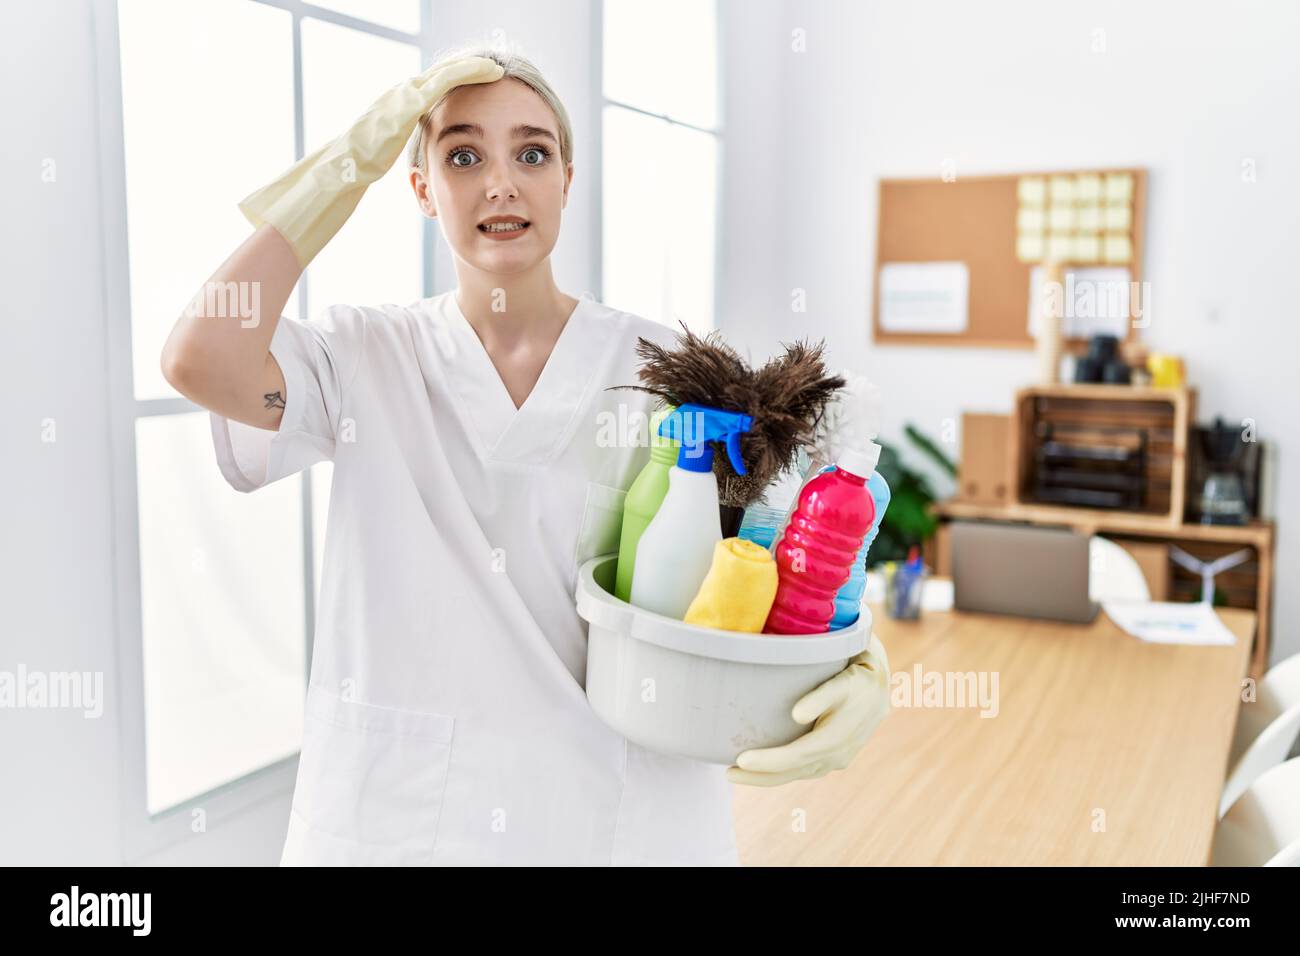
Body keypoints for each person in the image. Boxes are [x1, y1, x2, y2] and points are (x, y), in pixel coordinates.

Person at [160, 45, 890, 866]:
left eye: (532, 153)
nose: (500, 182)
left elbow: (779, 549)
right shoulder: (365, 356)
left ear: (568, 181)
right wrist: (341, 169)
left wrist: (861, 658)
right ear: (419, 190)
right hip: (407, 821)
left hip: (617, 814)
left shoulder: (666, 368)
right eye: (462, 155)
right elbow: (200, 358)